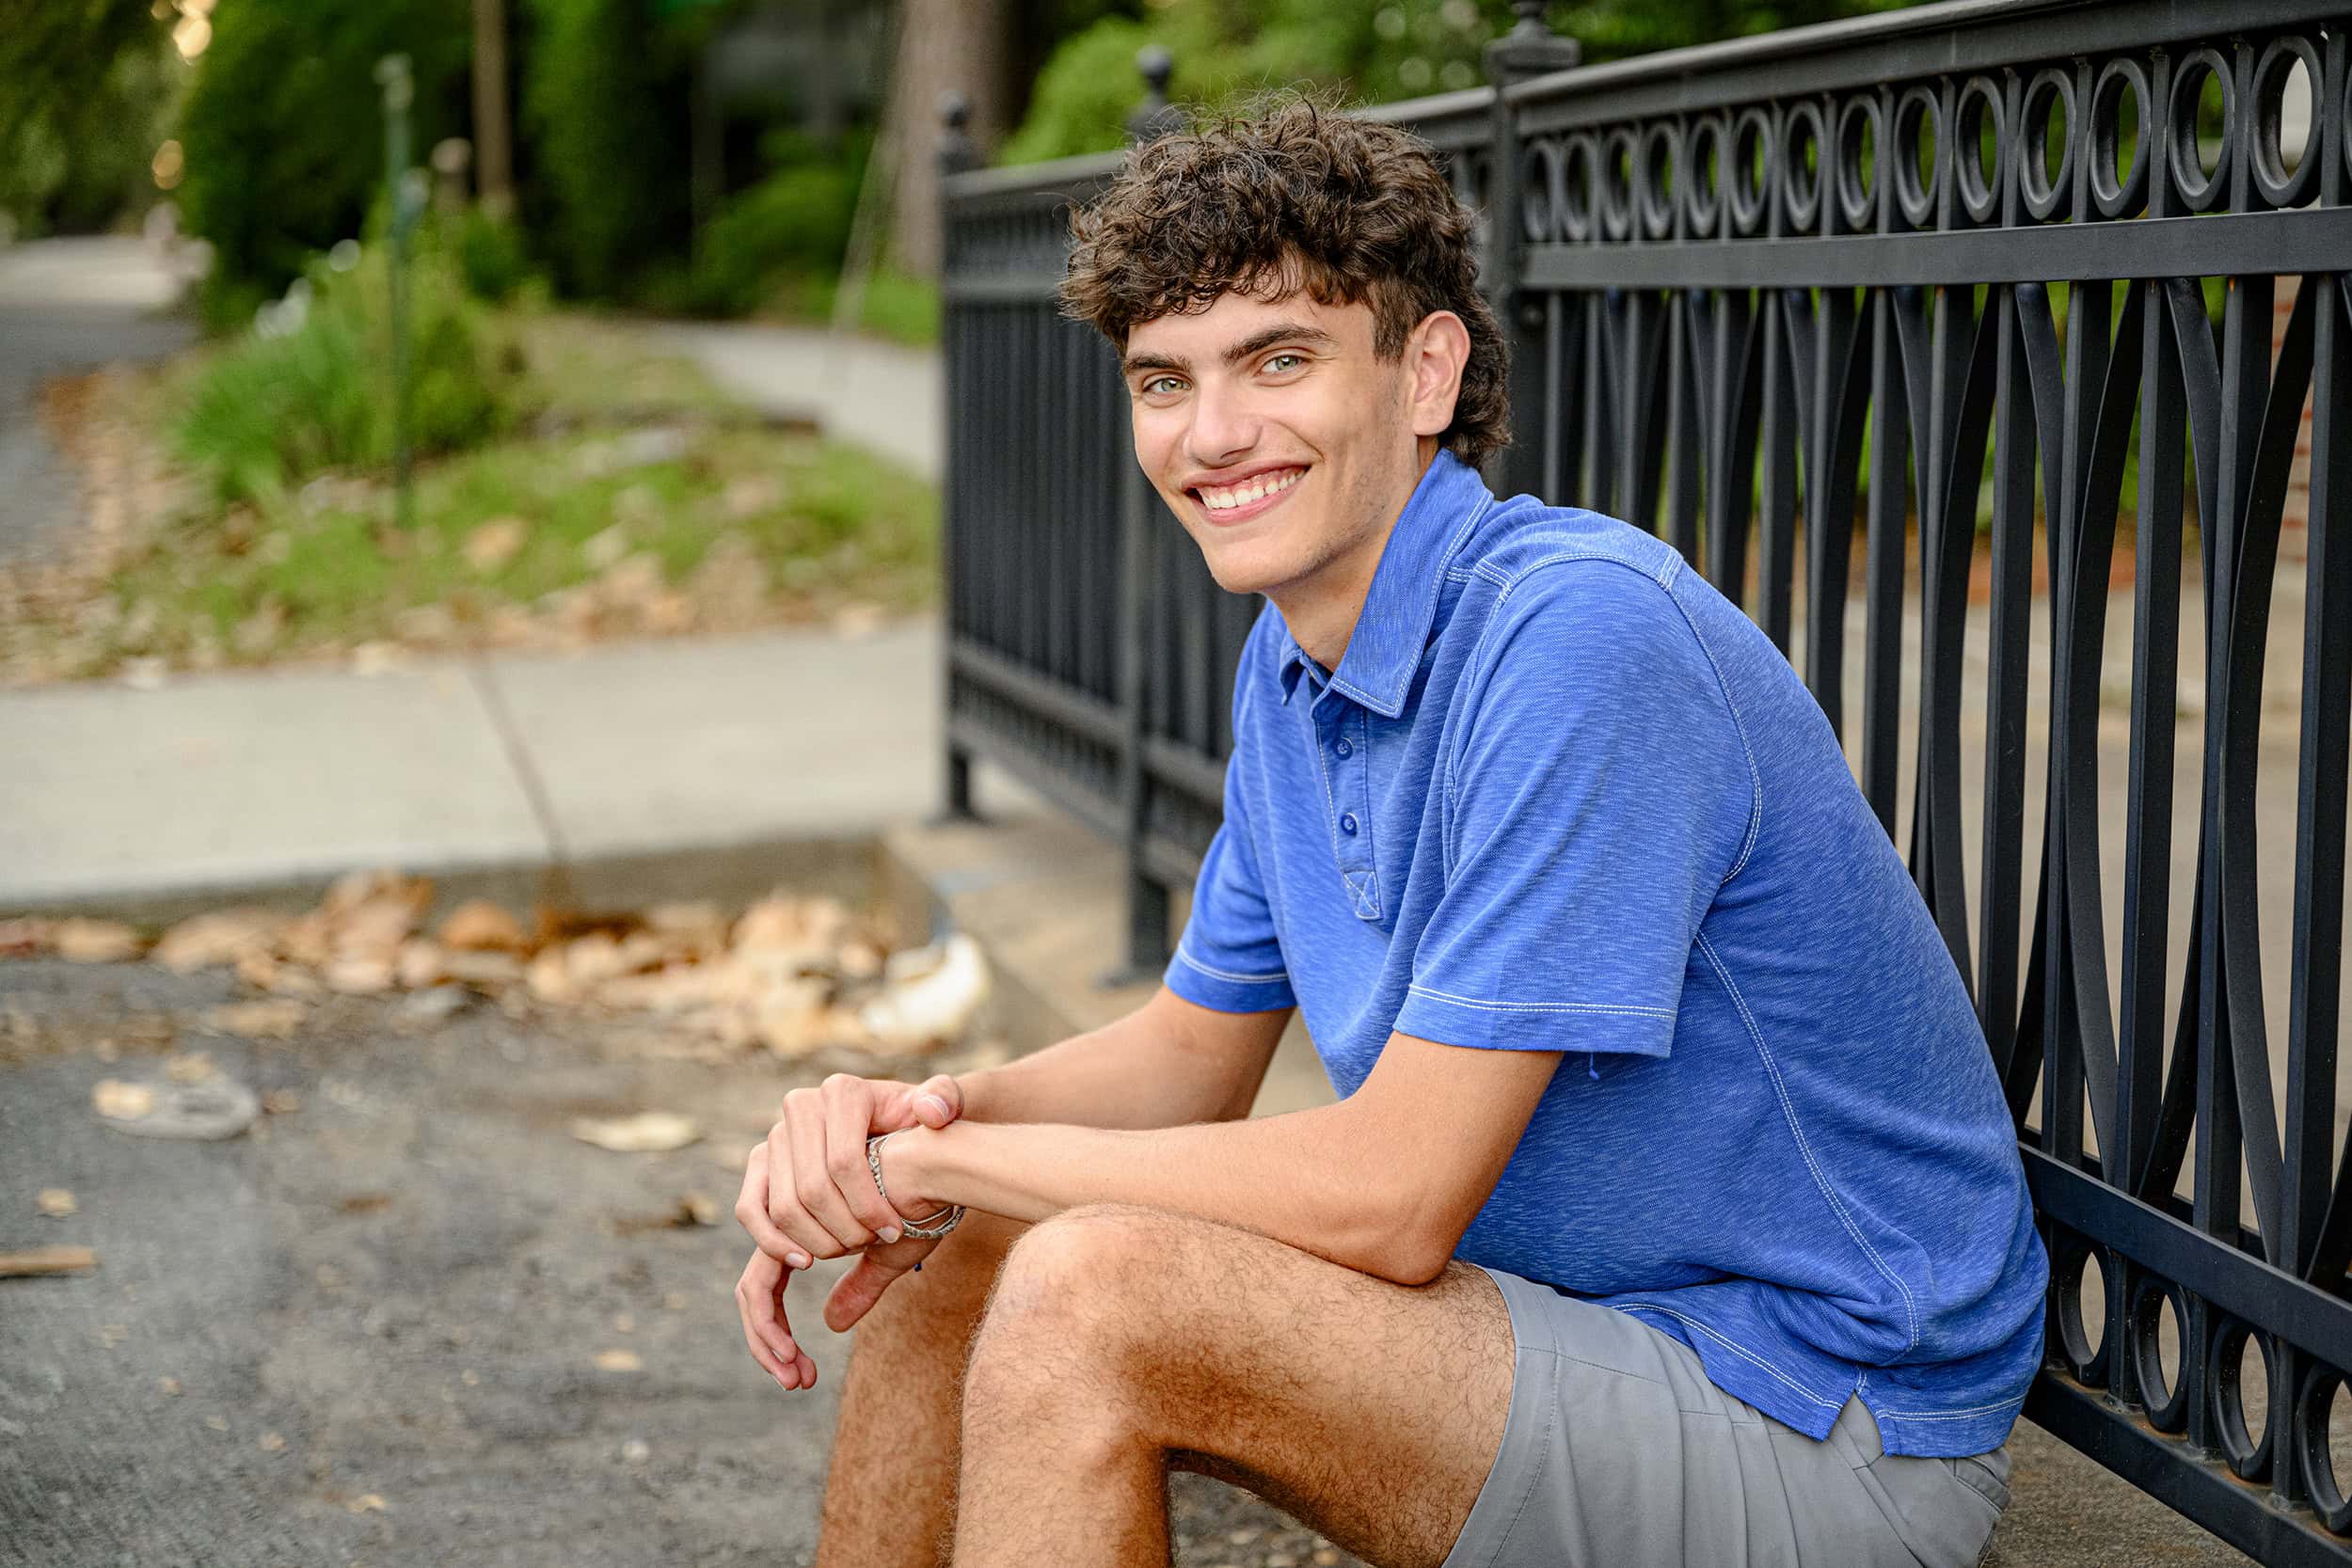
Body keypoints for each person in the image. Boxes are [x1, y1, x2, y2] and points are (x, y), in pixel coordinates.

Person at [733, 93, 2046, 1568]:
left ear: (1427, 371)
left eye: (1277, 360)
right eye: (1164, 382)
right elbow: (1183, 1058)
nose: (1212, 434)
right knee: (967, 1239)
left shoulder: (1577, 640)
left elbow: (1393, 1201)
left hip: (1827, 1422)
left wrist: (954, 1168)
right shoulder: (1299, 660)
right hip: (1564, 1340)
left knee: (1089, 1286)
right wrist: (911, 1127)